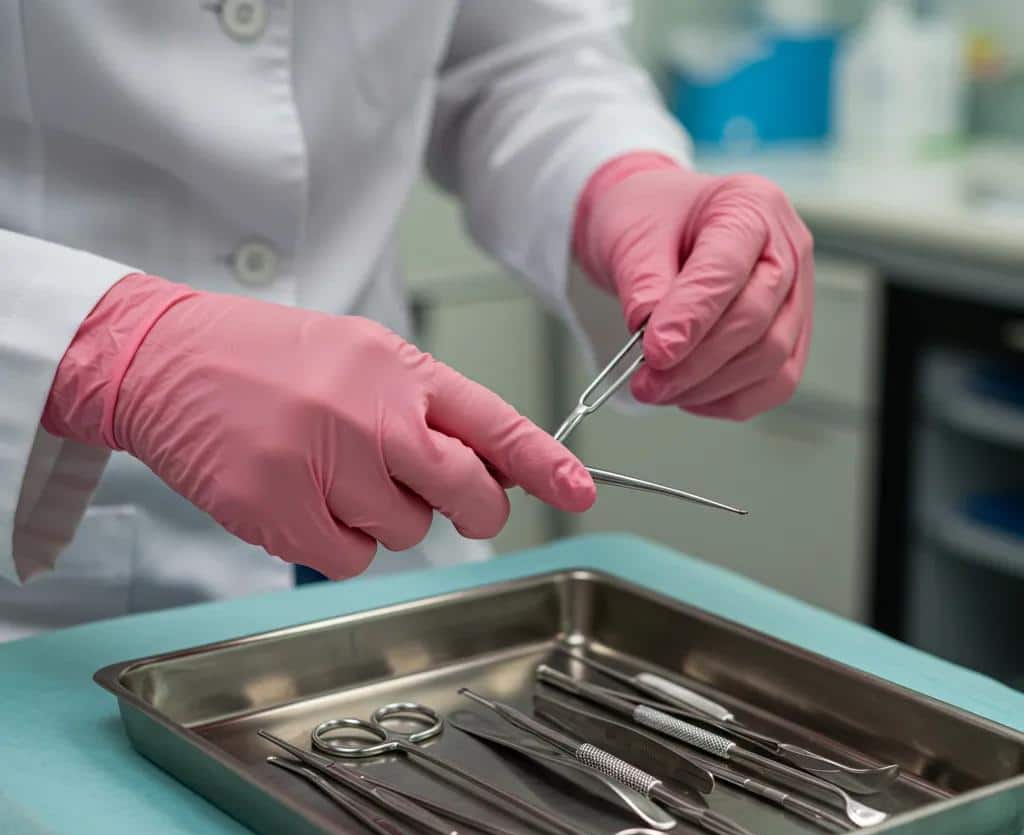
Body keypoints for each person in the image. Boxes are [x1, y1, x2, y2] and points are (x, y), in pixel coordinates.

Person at [0, 2, 813, 640]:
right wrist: (103, 352)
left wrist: (620, 178)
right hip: (41, 596)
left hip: (393, 563)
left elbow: (522, 54)